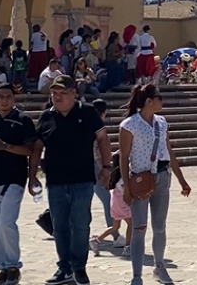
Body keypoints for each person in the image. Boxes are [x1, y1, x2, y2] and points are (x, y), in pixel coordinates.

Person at [29, 75, 111, 285]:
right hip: (55, 181)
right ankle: (64, 267)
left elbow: (102, 138)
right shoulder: (46, 117)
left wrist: (106, 167)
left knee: (81, 224)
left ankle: (79, 267)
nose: (58, 97)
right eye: (55, 93)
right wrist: (32, 176)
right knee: (60, 226)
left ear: (74, 93)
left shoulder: (88, 113)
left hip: (82, 179)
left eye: (63, 93)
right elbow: (37, 147)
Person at [119, 83, 192, 285]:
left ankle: (159, 266)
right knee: (139, 228)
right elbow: (123, 158)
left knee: (159, 226)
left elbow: (169, 151)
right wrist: (126, 186)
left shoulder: (162, 122)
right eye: (159, 97)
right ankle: (136, 275)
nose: (162, 101)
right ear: (149, 101)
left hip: (162, 176)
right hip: (140, 178)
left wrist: (181, 179)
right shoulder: (129, 125)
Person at [0, 83, 36, 285]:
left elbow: (30, 149)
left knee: (6, 223)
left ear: (14, 99)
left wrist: (6, 146)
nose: (4, 100)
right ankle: (1, 266)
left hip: (14, 177)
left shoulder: (22, 120)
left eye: (8, 96)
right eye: (0, 96)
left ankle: (13, 265)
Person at [89, 99, 124, 250]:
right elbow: (97, 153)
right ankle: (115, 234)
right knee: (108, 201)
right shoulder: (97, 128)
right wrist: (105, 170)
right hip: (95, 168)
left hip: (84, 167)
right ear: (104, 113)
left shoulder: (85, 125)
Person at [89, 152, 132, 259]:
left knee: (115, 226)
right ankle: (128, 247)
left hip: (115, 205)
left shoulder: (113, 176)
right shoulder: (122, 179)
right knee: (131, 225)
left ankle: (97, 240)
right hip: (122, 204)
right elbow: (125, 191)